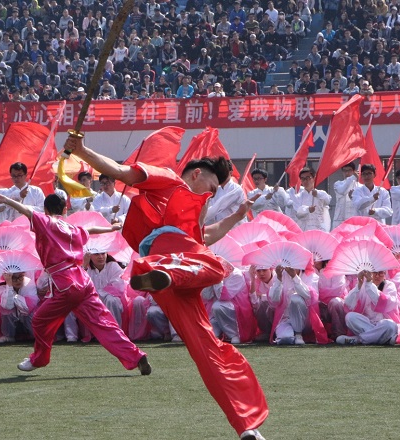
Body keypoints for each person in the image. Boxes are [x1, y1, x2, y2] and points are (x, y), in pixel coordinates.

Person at [62, 137, 268, 440]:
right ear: (196, 174)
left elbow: (205, 237)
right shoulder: (169, 180)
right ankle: (163, 272)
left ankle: (245, 427)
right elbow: (121, 172)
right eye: (211, 188)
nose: (210, 197)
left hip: (176, 275)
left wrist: (237, 216)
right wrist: (81, 152)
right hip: (166, 252)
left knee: (207, 350)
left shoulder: (193, 213)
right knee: (218, 266)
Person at [0, 192, 151, 376]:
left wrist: (7, 200)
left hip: (65, 283)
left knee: (40, 320)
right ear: (65, 209)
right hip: (83, 281)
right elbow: (90, 230)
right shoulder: (72, 228)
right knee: (104, 323)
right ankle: (136, 356)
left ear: (46, 210)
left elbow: (29, 212)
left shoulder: (47, 222)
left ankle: (39, 359)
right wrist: (110, 229)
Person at [338, 270, 400, 345]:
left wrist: (369, 285)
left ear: (384, 274)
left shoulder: (389, 285)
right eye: (374, 273)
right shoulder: (363, 285)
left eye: (380, 273)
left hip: (383, 324)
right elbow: (348, 303)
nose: (377, 276)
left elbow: (387, 304)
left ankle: (358, 340)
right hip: (367, 324)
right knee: (350, 317)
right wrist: (359, 286)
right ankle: (382, 339)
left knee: (390, 325)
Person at [0, 271, 38, 344]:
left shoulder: (28, 283)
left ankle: (35, 335)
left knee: (30, 313)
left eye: (20, 277)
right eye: (14, 278)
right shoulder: (2, 285)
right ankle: (8, 336)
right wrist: (9, 286)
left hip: (27, 318)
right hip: (13, 322)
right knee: (5, 310)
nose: (18, 281)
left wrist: (14, 296)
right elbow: (7, 306)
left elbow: (26, 309)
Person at [293, 167, 331, 231]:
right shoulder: (298, 197)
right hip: (304, 229)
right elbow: (298, 213)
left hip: (319, 228)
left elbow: (328, 200)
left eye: (308, 178)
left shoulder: (321, 193)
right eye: (303, 179)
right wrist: (308, 209)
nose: (305, 181)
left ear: (314, 178)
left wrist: (317, 194)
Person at [332, 162, 361, 229]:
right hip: (340, 219)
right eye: (345, 171)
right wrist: (352, 177)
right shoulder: (338, 184)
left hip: (354, 219)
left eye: (349, 170)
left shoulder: (359, 186)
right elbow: (342, 191)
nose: (347, 173)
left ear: (353, 171)